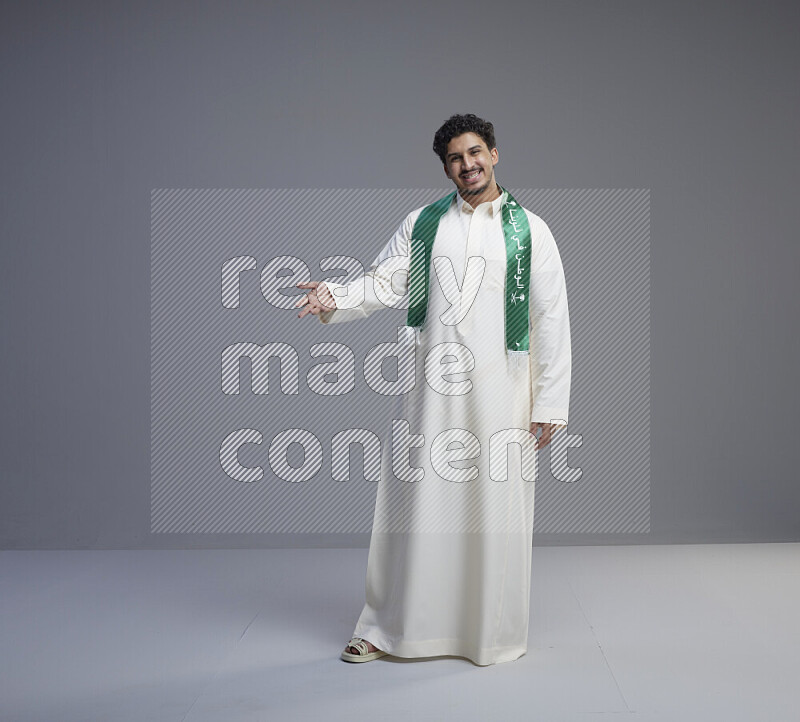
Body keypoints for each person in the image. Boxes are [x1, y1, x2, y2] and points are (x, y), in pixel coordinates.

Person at [295, 114, 571, 666]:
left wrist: (550, 402)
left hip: (503, 391)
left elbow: (552, 316)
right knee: (415, 504)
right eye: (454, 158)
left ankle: (485, 634)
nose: (467, 165)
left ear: (494, 154)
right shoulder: (423, 224)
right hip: (431, 389)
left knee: (494, 508)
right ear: (445, 167)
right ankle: (388, 628)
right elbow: (384, 281)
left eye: (475, 153)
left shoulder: (530, 230)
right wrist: (335, 297)